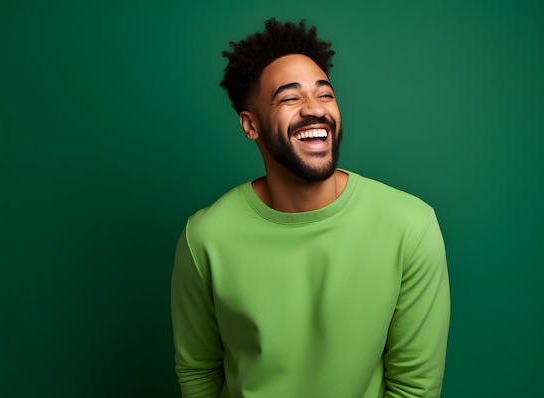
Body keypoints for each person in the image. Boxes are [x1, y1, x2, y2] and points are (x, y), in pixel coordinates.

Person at [171, 17, 450, 398]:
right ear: (249, 125)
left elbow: (414, 387)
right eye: (289, 97)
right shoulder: (204, 237)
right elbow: (199, 371)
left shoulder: (410, 226)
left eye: (325, 94)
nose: (314, 109)